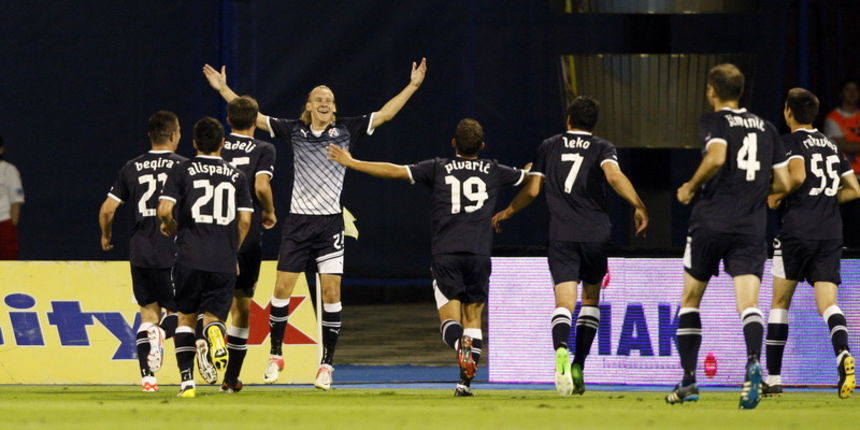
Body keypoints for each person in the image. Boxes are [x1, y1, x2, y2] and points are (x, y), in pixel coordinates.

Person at [202, 58, 427, 389]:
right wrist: (223, 90)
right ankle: (276, 355)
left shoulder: (347, 129)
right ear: (308, 106)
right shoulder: (294, 130)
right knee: (281, 289)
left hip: (330, 224)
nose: (324, 103)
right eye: (319, 99)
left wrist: (413, 86)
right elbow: (253, 117)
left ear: (334, 108)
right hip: (298, 224)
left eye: (329, 100)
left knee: (331, 293)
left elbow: (385, 114)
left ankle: (326, 365)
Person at [327, 118, 528, 396]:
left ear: (453, 143)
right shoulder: (494, 170)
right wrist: (528, 173)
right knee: (473, 319)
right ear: (482, 146)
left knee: (449, 322)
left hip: (447, 253)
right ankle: (464, 384)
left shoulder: (438, 167)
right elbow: (531, 180)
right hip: (479, 253)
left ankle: (459, 347)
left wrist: (353, 162)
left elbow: (394, 171)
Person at [492, 96, 649, 397]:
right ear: (594, 124)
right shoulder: (602, 147)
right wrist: (638, 205)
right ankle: (578, 364)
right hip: (595, 235)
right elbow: (614, 176)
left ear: (568, 119)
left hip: (561, 235)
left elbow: (533, 190)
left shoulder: (549, 146)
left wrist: (508, 212)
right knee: (590, 299)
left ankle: (561, 349)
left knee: (564, 303)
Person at [666, 64, 791, 409]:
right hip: (751, 226)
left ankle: (689, 380)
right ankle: (753, 361)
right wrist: (757, 191)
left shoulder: (715, 121)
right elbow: (785, 182)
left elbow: (717, 155)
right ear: (742, 90)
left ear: (711, 91)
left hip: (711, 221)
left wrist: (691, 187)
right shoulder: (767, 128)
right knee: (749, 304)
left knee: (690, 300)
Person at [764, 88, 860, 399]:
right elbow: (854, 189)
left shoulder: (789, 141)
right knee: (828, 304)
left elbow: (796, 175)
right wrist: (826, 201)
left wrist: (775, 195)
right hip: (830, 233)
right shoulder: (832, 145)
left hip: (797, 232)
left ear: (788, 112)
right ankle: (843, 352)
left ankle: (773, 378)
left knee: (780, 303)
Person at [157, 117, 253, 398]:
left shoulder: (182, 169)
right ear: (222, 143)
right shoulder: (237, 176)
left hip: (189, 256)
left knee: (185, 319)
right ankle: (214, 334)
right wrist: (233, 250)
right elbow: (245, 220)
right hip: (223, 260)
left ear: (194, 143)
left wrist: (170, 226)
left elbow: (164, 209)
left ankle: (187, 382)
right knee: (213, 318)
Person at [97, 111, 186, 392]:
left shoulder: (131, 167)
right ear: (173, 135)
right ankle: (161, 335)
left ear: (150, 135)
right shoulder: (184, 167)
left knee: (147, 314)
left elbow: (107, 209)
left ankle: (148, 378)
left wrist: (106, 235)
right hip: (172, 250)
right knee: (181, 313)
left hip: (140, 251)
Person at [218, 95, 277, 393]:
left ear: (228, 120)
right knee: (242, 305)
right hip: (246, 232)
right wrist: (270, 211)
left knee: (209, 301)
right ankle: (230, 379)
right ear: (256, 121)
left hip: (212, 231)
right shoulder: (264, 149)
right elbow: (261, 185)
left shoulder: (217, 145)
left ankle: (205, 344)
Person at [823, 79, 860, 246]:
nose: (852, 93)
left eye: (855, 90)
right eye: (848, 89)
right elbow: (843, 146)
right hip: (844, 178)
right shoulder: (833, 118)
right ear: (841, 93)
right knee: (846, 223)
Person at [0, 136, 24, 260]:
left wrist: (10, 227)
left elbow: (16, 201)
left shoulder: (9, 170)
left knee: (7, 266)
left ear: (1, 149)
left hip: (3, 224)